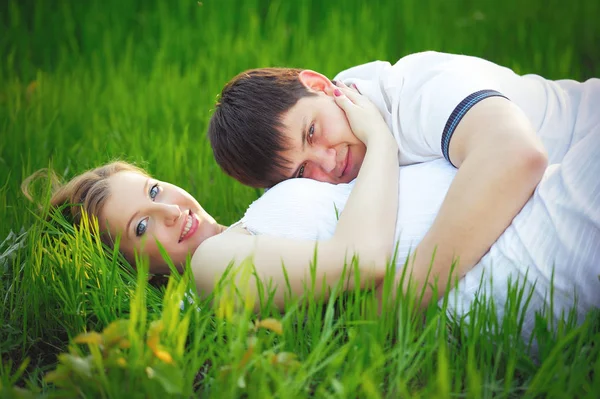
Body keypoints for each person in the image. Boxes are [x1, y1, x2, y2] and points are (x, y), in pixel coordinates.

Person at [208, 50, 600, 307]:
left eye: (311, 132)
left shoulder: (414, 90)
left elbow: (515, 154)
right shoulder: (350, 162)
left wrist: (393, 306)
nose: (328, 163)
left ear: (319, 86)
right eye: (301, 171)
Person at [23, 86, 413, 310]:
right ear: (137, 271)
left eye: (154, 189)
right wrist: (379, 138)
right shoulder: (212, 263)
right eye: (141, 226)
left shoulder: (252, 225)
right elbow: (361, 261)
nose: (170, 210)